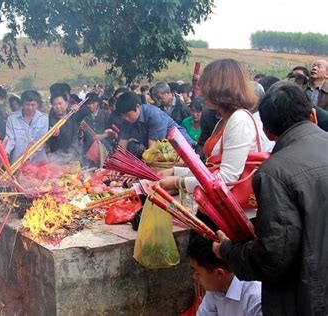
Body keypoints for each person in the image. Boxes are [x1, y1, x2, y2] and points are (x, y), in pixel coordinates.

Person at [212, 81, 328, 316]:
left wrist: (227, 250)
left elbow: (273, 257)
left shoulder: (274, 173)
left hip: (304, 300)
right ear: (313, 115)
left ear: (266, 132)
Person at [160, 59, 261, 195]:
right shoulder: (224, 119)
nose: (201, 92)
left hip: (231, 211)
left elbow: (226, 179)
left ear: (221, 88)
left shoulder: (239, 121)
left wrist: (178, 182)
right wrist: (176, 171)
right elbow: (212, 169)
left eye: (205, 86)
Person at [187, 236, 262, 316]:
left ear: (219, 274)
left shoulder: (256, 297)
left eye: (198, 273)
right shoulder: (215, 289)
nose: (194, 277)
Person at [114, 91, 192, 152]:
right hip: (163, 152)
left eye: (128, 115)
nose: (126, 119)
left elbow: (152, 149)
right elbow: (121, 147)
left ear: (137, 106)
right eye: (123, 116)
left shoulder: (153, 115)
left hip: (183, 149)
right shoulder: (126, 121)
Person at [5, 90, 48, 164]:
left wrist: (28, 156)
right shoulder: (12, 119)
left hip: (38, 163)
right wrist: (5, 152)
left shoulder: (43, 119)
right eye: (27, 104)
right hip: (17, 163)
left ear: (38, 105)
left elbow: (42, 141)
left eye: (33, 105)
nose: (30, 107)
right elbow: (10, 139)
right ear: (22, 104)